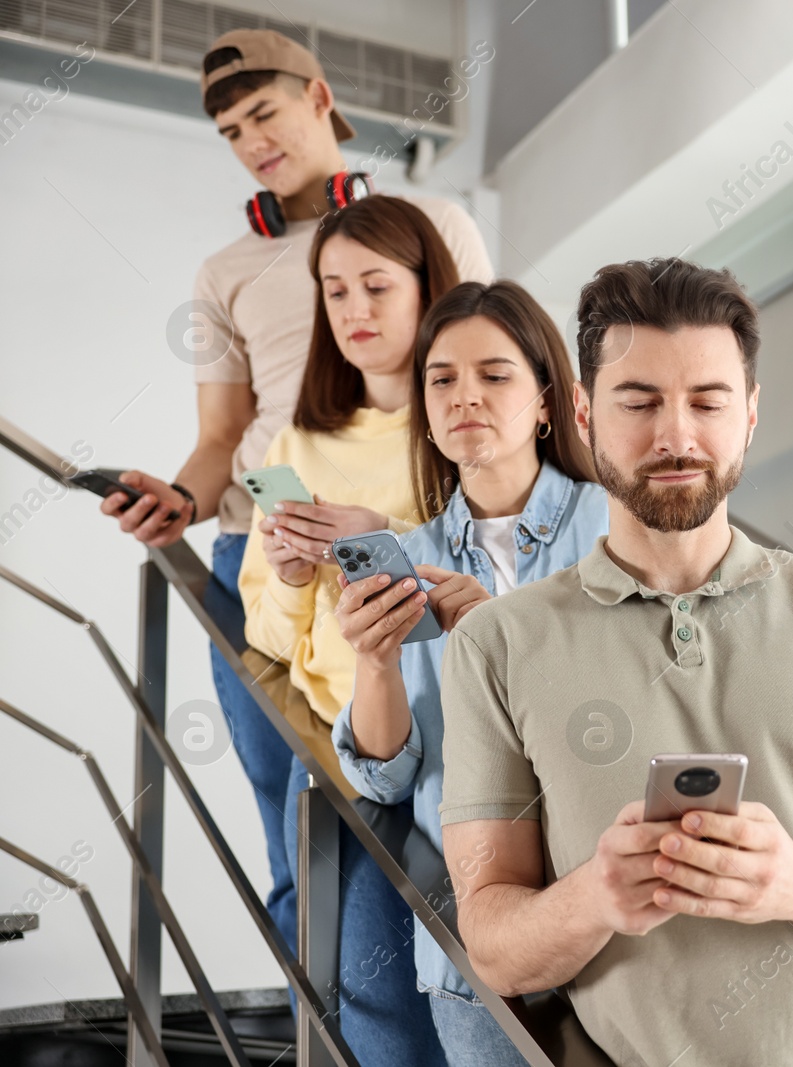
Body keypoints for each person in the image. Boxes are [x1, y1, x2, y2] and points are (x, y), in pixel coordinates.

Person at [437, 258, 793, 1065]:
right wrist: (596, 896)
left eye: (707, 401)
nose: (676, 436)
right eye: (640, 401)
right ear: (584, 412)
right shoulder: (498, 643)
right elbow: (491, 940)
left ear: (751, 412)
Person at [95, 27, 492, 955]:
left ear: (320, 98)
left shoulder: (436, 223)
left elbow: (492, 372)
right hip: (262, 557)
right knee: (294, 824)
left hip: (402, 538)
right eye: (231, 131)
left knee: (428, 813)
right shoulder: (224, 272)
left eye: (263, 113)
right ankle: (318, 1033)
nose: (251, 142)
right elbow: (221, 441)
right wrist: (181, 503)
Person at [329, 280, 607, 1065]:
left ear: (548, 401)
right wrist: (375, 662)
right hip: (472, 938)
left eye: (494, 375)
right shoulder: (409, 553)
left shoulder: (615, 524)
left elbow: (648, 703)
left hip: (617, 916)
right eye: (442, 379)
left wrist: (501, 635)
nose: (464, 398)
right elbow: (387, 782)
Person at [237, 194, 476, 1067]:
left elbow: (505, 578)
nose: (355, 311)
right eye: (335, 291)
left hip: (458, 744)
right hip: (350, 752)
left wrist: (382, 534)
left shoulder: (462, 415)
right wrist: (298, 578)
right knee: (371, 995)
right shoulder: (297, 441)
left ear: (427, 289)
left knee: (472, 983)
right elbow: (265, 638)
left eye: (376, 285)